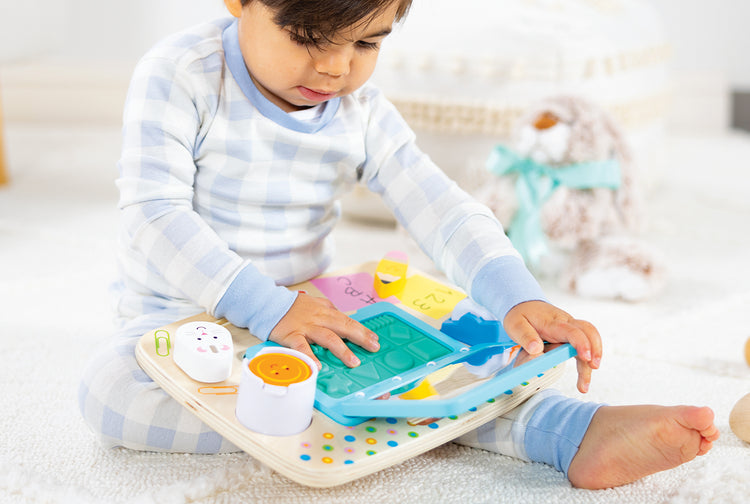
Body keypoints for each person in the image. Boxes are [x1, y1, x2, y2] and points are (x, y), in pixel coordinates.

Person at [78, 0, 719, 489]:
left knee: (449, 349)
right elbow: (153, 214)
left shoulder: (361, 111)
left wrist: (515, 296)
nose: (335, 67)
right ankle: (405, 427)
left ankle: (565, 428)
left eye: (365, 42)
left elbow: (440, 210)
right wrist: (265, 308)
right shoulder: (181, 74)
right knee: (107, 395)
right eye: (307, 37)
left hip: (315, 316)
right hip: (185, 318)